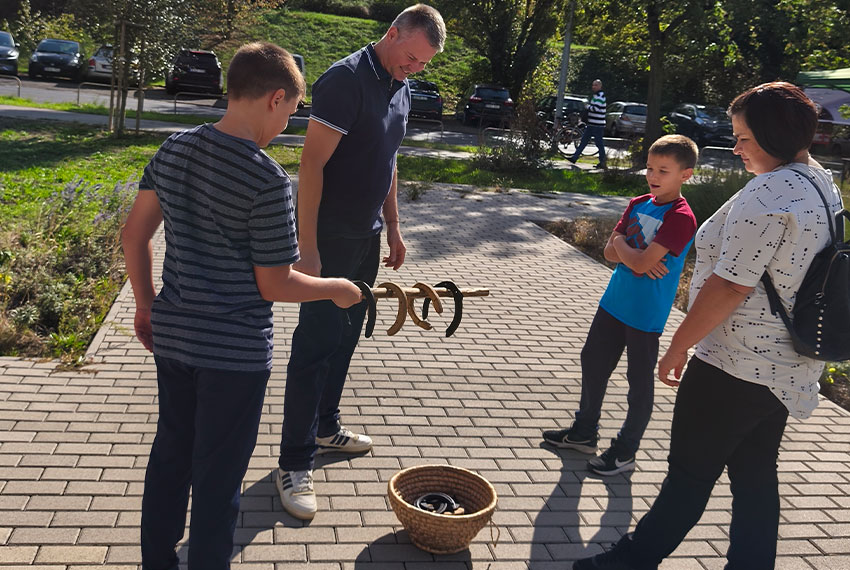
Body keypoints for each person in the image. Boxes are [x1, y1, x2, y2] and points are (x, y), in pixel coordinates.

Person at [573, 82, 844, 570]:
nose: (735, 147)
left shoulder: (769, 192)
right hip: (786, 365)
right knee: (755, 477)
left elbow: (731, 285)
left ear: (774, 135)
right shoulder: (821, 181)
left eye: (743, 137)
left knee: (689, 475)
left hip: (735, 363)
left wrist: (679, 346)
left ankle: (630, 561)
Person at [122, 43, 363, 570]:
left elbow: (133, 235)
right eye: (292, 111)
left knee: (170, 458)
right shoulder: (266, 179)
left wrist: (145, 305)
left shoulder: (174, 148)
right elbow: (274, 284)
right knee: (218, 478)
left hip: (174, 339)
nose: (287, 124)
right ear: (276, 98)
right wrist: (336, 288)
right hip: (234, 358)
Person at [275, 3, 446, 521]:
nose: (414, 69)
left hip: (367, 237)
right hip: (329, 239)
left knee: (347, 335)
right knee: (316, 343)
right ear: (392, 33)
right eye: (411, 58)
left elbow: (388, 159)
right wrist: (308, 247)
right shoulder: (345, 80)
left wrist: (393, 225)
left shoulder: (401, 85)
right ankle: (293, 461)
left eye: (423, 64)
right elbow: (311, 164)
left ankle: (325, 428)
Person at [543, 134, 699, 476]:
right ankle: (584, 433)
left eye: (663, 171)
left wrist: (625, 249)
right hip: (614, 302)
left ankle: (626, 451)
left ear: (685, 175)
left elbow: (629, 256)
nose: (653, 176)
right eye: (650, 168)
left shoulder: (681, 216)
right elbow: (609, 252)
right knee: (593, 363)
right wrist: (633, 255)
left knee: (638, 384)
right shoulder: (639, 202)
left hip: (645, 313)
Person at [570, 79, 607, 169]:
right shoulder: (596, 96)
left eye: (595, 85)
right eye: (593, 85)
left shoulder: (600, 97)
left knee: (599, 143)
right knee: (584, 141)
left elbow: (596, 109)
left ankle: (602, 162)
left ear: (600, 86)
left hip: (597, 125)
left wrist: (587, 106)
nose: (593, 87)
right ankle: (574, 158)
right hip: (592, 123)